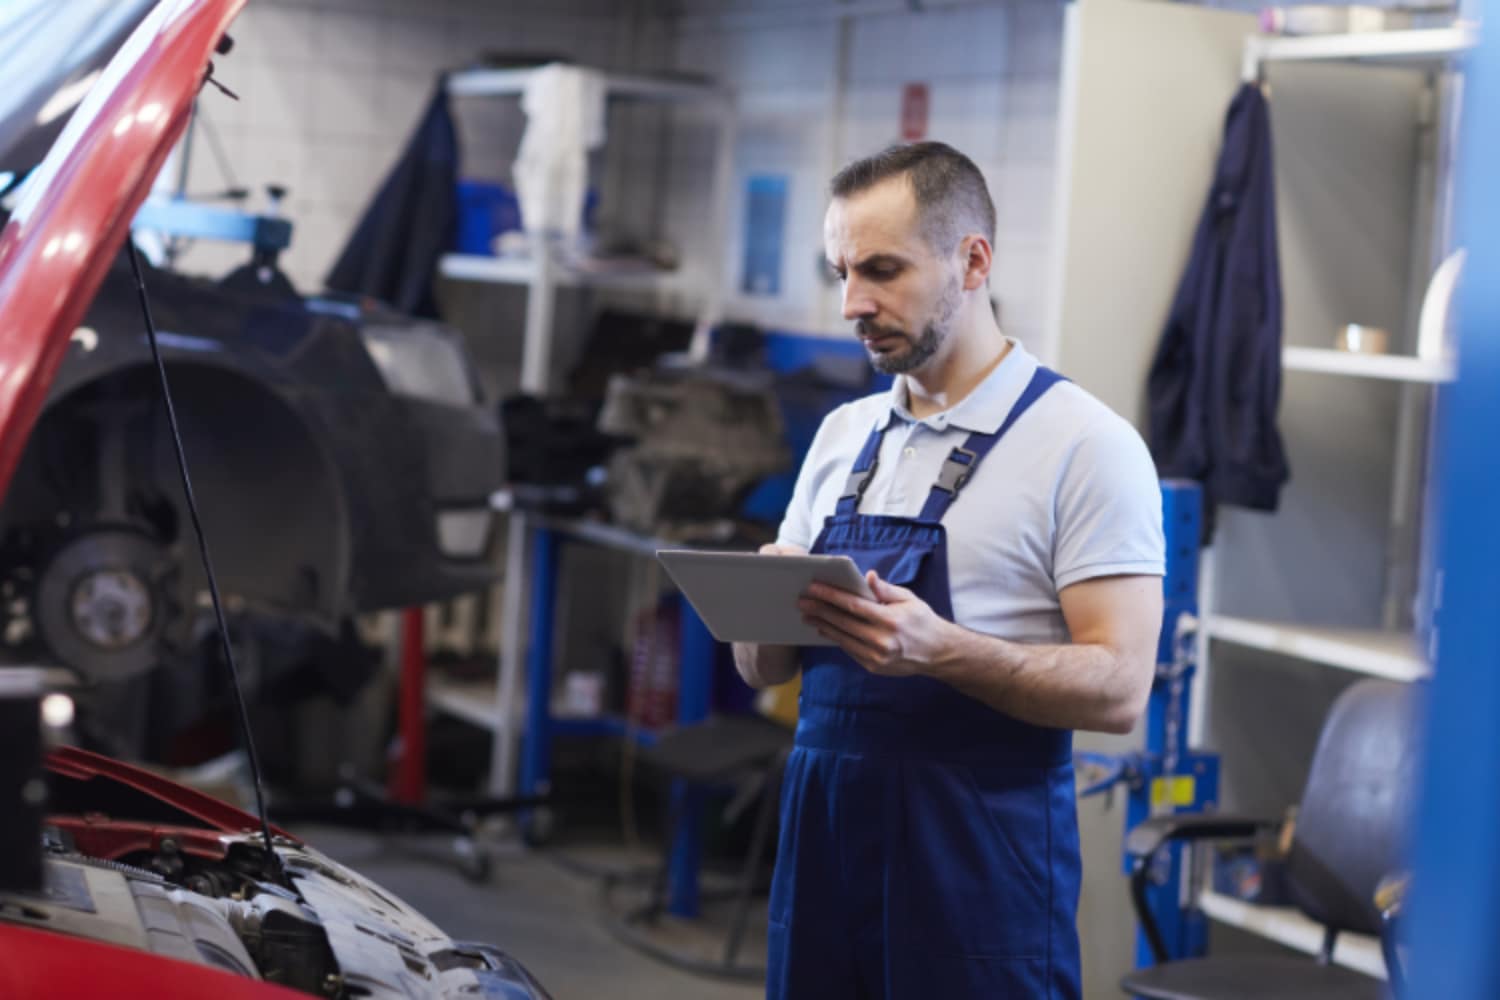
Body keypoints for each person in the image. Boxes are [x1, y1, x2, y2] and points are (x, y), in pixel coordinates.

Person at [733, 142, 1165, 999]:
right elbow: (765, 669)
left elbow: (1119, 688)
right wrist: (758, 608)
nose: (855, 303)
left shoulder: (1086, 446)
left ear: (973, 261)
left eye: (884, 270)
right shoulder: (842, 436)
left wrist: (940, 651)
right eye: (842, 272)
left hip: (975, 867)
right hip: (822, 848)